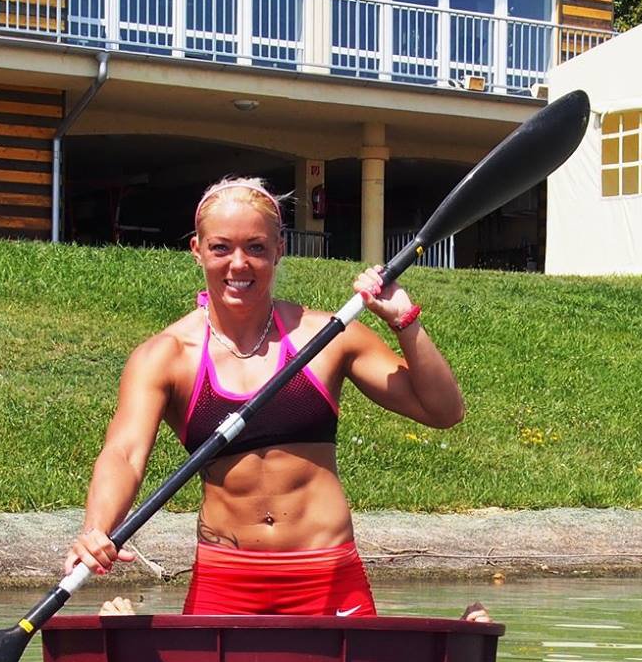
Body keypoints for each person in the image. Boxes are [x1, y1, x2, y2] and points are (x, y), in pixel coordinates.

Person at [66, 176, 486, 620]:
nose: (239, 264)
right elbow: (124, 453)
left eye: (256, 247)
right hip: (226, 580)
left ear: (279, 249)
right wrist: (97, 528)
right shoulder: (165, 356)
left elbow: (444, 411)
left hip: (328, 576)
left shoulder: (328, 337)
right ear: (197, 250)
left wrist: (405, 320)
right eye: (221, 248)